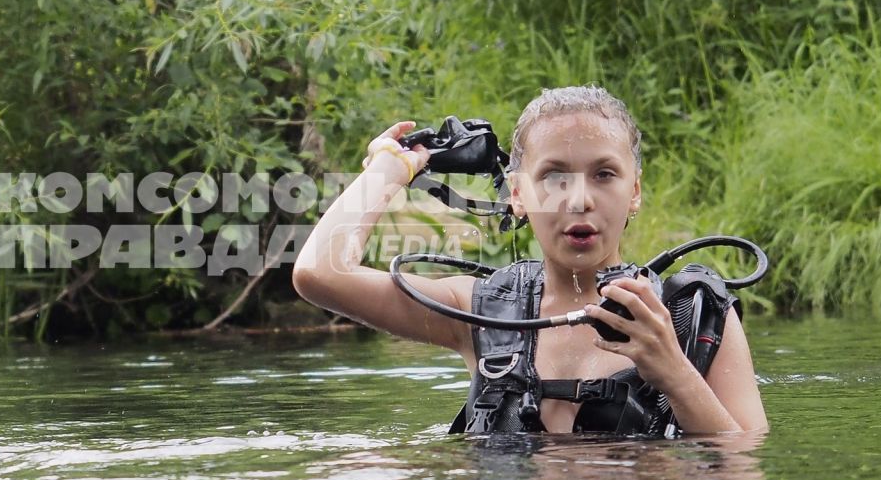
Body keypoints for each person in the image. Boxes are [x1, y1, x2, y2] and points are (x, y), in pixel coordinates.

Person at [292, 86, 765, 436]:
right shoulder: (479, 313)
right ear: (518, 194)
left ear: (634, 191)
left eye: (604, 174)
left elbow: (744, 479)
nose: (579, 199)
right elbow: (320, 273)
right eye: (554, 176)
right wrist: (391, 168)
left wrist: (674, 371)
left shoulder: (694, 316)